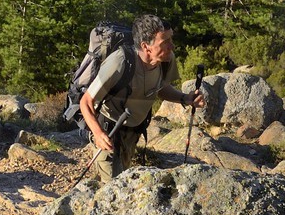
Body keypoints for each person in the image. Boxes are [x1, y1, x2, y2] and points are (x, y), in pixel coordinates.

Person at [79, 15, 200, 182]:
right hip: (109, 130)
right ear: (146, 46)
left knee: (119, 179)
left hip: (133, 132)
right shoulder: (120, 62)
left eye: (171, 39)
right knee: (113, 185)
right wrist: (98, 133)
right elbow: (86, 101)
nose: (172, 45)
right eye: (165, 41)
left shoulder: (166, 59)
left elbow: (160, 88)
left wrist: (185, 98)